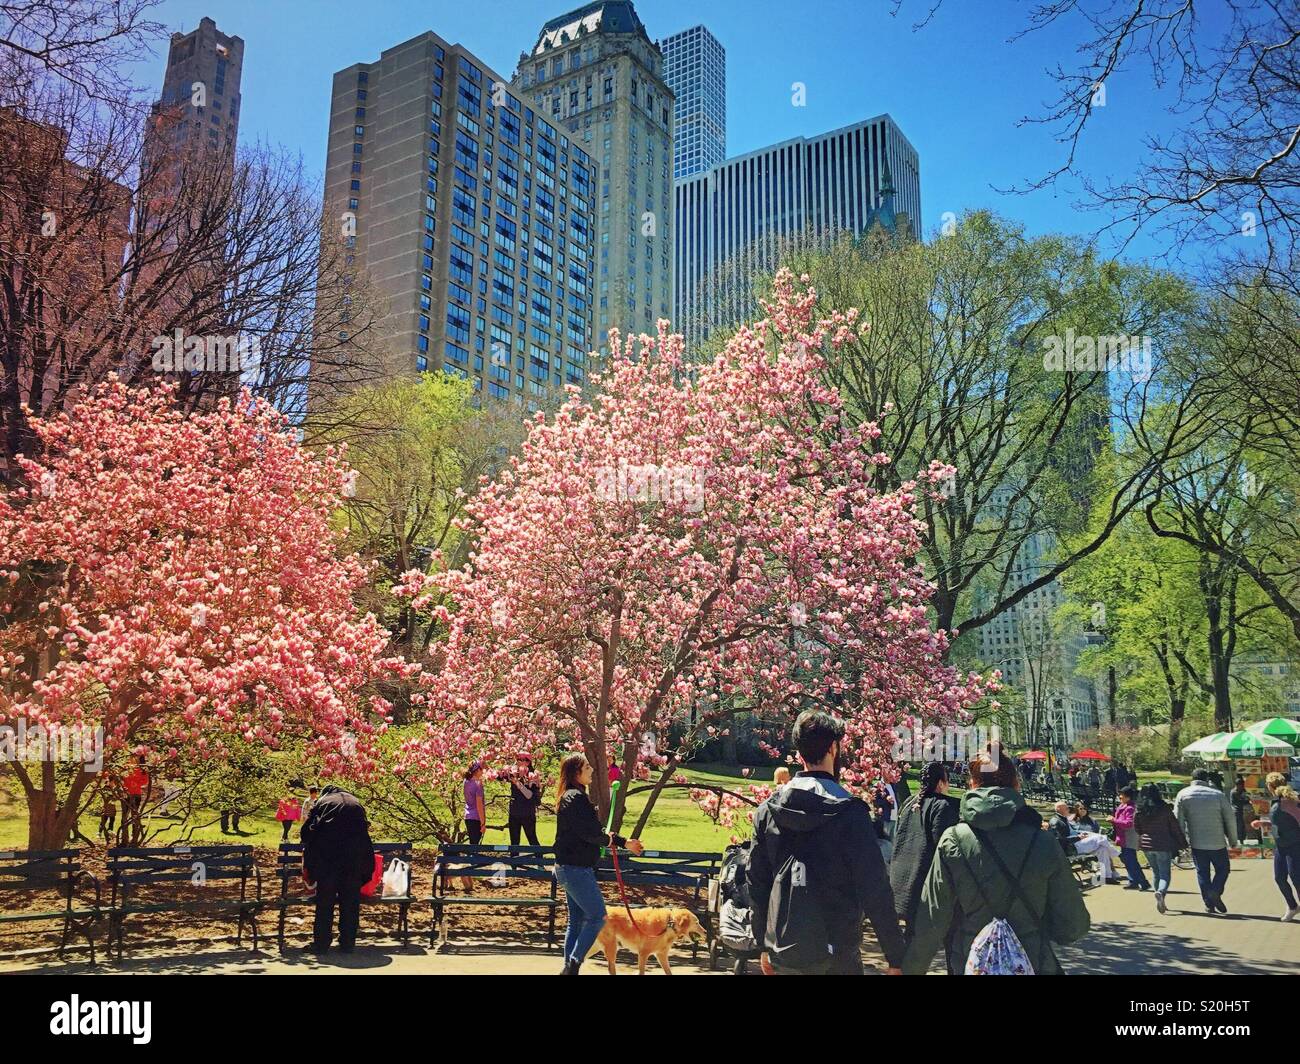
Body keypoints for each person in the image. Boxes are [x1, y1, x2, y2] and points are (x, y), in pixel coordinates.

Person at [902, 749, 1091, 974]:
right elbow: (1073, 925)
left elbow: (932, 918)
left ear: (972, 784)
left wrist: (911, 967)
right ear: (1016, 784)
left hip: (973, 960)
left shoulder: (953, 839)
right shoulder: (1043, 842)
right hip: (1032, 959)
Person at [747, 710, 905, 975]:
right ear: (833, 748)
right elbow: (874, 886)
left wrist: (762, 941)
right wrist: (894, 954)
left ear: (799, 754)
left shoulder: (768, 811)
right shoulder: (850, 812)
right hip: (837, 951)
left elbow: (757, 881)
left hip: (784, 949)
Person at [553, 752, 644, 974]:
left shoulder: (573, 797)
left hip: (569, 867)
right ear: (577, 772)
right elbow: (591, 833)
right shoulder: (575, 798)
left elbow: (594, 832)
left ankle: (569, 969)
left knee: (576, 921)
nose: (592, 770)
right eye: (587, 768)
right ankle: (573, 963)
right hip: (575, 869)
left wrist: (622, 842)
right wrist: (613, 840)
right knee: (597, 916)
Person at [300, 785, 375, 954]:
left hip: (328, 860)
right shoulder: (356, 803)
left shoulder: (322, 802)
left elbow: (306, 833)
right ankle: (348, 942)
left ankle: (321, 944)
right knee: (350, 902)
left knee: (325, 902)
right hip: (354, 860)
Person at [891, 761, 961, 935]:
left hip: (901, 881)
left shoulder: (909, 803)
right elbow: (943, 847)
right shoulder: (942, 807)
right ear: (940, 783)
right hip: (923, 885)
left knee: (911, 937)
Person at [1174, 767, 1238, 914]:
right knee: (1223, 869)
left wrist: (1181, 842)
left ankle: (1209, 903)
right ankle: (1215, 891)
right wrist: (1233, 840)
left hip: (1197, 842)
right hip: (1218, 841)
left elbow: (1179, 821)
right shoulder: (1218, 795)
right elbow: (1230, 819)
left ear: (1192, 778)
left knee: (1202, 872)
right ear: (1207, 779)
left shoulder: (1183, 794)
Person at [1135, 782, 1187, 914]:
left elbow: (1137, 828)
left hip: (1146, 845)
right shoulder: (1164, 808)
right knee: (1165, 873)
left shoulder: (1139, 809)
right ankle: (1161, 893)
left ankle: (1159, 897)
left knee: (1156, 872)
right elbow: (1174, 827)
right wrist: (1182, 843)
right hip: (1163, 844)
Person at [1265, 772, 1300, 921]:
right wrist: (1263, 824)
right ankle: (1292, 907)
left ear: (1269, 786)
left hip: (1295, 844)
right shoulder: (1276, 800)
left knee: (1296, 878)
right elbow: (1279, 824)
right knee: (1280, 878)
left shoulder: (1289, 800)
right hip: (1281, 845)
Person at [1112, 786, 1151, 891]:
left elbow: (1128, 824)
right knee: (1126, 859)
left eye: (1122, 796)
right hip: (1123, 837)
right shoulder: (1123, 806)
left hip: (1129, 837)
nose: (1120, 797)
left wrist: (1113, 820)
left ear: (1128, 797)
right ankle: (1133, 880)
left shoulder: (1130, 808)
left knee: (1131, 861)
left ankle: (1143, 882)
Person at [508, 754, 543, 847]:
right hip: (514, 812)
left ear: (528, 762)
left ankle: (539, 859)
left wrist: (517, 783)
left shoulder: (533, 775)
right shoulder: (514, 773)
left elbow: (530, 795)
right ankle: (514, 860)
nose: (518, 761)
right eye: (518, 759)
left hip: (527, 813)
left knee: (532, 838)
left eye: (522, 759)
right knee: (514, 842)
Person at [122, 755, 150, 838]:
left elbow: (145, 781)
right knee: (125, 816)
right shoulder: (127, 767)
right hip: (127, 794)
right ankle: (124, 836)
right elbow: (123, 778)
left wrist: (136, 783)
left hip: (136, 794)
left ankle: (134, 835)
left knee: (134, 815)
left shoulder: (142, 769)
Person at [463, 761, 486, 844]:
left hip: (468, 816)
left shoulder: (466, 782)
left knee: (472, 843)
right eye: (481, 769)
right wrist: (483, 823)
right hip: (476, 818)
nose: (483, 771)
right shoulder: (478, 784)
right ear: (477, 770)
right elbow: (479, 805)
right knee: (474, 846)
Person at [1231, 778, 1252, 843]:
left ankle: (1243, 840)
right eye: (1241, 786)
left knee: (1245, 827)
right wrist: (1247, 800)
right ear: (1237, 785)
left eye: (1243, 785)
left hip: (1244, 811)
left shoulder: (1243, 790)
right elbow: (1242, 801)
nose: (1242, 787)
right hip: (1237, 811)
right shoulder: (1234, 792)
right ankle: (1239, 841)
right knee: (1239, 827)